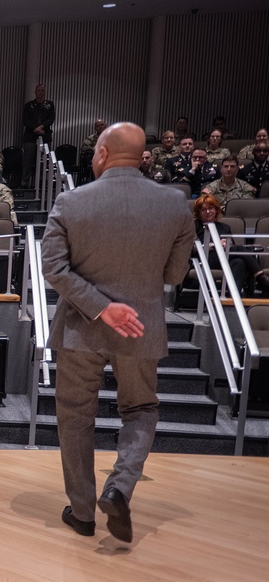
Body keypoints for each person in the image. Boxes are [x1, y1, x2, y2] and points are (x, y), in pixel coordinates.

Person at [41, 121, 194, 543]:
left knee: (75, 417)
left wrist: (102, 307)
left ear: (103, 153)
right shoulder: (176, 204)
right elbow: (176, 274)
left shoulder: (70, 202)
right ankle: (120, 487)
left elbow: (53, 269)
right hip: (140, 328)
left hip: (80, 329)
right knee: (140, 409)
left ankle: (83, 512)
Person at [192, 194, 269, 294]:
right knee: (239, 249)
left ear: (216, 210)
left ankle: (232, 297)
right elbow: (191, 248)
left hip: (223, 257)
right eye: (203, 210)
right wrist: (213, 245)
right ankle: (260, 276)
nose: (208, 212)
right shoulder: (193, 226)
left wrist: (226, 244)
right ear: (198, 212)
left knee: (239, 262)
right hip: (202, 258)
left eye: (210, 208)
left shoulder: (224, 227)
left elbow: (231, 247)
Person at [21, 83, 55, 186]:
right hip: (30, 136)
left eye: (42, 91)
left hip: (45, 135)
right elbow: (25, 120)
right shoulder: (29, 105)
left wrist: (41, 127)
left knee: (44, 161)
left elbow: (51, 119)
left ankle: (42, 182)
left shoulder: (50, 104)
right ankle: (25, 183)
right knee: (28, 160)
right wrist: (36, 128)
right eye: (38, 91)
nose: (40, 93)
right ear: (35, 92)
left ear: (45, 92)